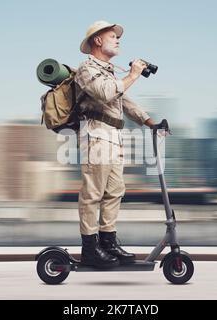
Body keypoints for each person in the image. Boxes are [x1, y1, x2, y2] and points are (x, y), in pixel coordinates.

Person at [75, 21, 157, 268]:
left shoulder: (110, 71)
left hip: (114, 136)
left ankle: (108, 243)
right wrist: (132, 74)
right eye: (113, 36)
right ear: (97, 40)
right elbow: (106, 93)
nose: (118, 40)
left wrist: (148, 120)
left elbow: (124, 100)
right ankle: (90, 249)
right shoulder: (86, 69)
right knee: (93, 195)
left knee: (114, 192)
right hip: (96, 135)